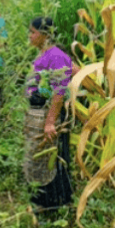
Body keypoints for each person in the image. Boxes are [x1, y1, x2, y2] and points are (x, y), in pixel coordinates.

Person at [24, 16, 73, 209]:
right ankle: (43, 202)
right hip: (36, 116)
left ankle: (56, 205)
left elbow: (59, 93)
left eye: (33, 32)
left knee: (52, 158)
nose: (29, 36)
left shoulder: (56, 55)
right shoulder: (43, 54)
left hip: (48, 116)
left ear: (44, 35)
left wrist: (50, 122)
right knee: (39, 159)